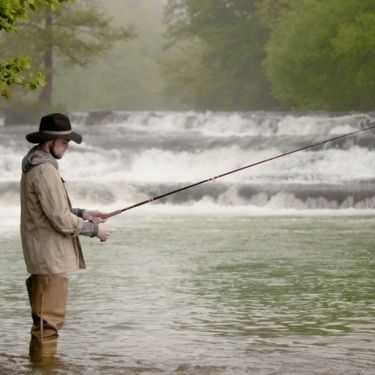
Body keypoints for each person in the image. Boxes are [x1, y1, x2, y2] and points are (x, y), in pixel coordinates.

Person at [20, 113, 112, 361]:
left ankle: (38, 367)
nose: (67, 146)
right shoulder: (44, 170)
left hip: (44, 255)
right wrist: (94, 230)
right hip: (48, 257)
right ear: (49, 142)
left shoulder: (36, 165)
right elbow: (60, 219)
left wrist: (85, 213)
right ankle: (44, 368)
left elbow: (50, 210)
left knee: (44, 325)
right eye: (64, 141)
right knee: (47, 327)